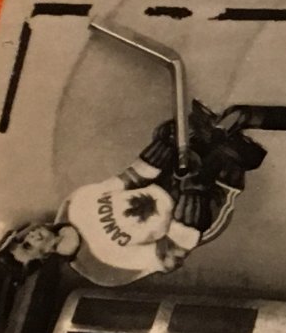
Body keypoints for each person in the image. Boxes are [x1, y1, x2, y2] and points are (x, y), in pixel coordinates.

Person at [58, 101, 266, 287]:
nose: (37, 235)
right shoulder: (100, 268)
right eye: (32, 247)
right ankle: (235, 149)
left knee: (173, 133)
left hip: (168, 185)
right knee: (227, 160)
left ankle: (214, 134)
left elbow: (133, 177)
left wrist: (165, 144)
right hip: (195, 217)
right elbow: (173, 253)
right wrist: (192, 190)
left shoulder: (75, 207)